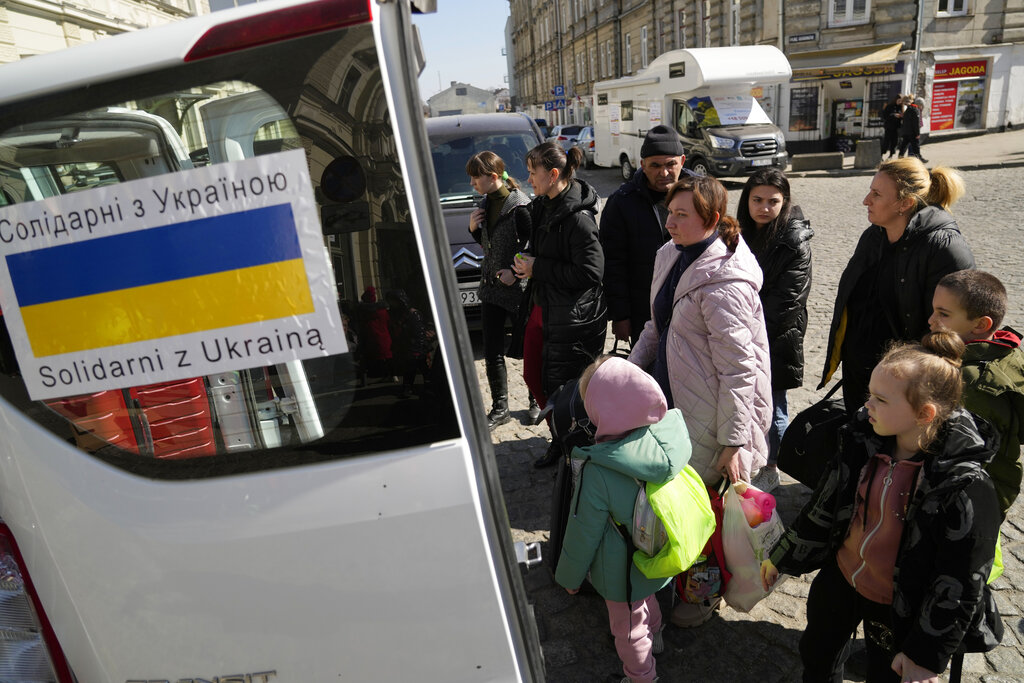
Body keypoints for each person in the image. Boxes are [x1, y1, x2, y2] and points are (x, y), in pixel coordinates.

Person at [762, 331, 1003, 683]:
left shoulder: (964, 486)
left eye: (879, 399)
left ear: (924, 413)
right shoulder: (861, 441)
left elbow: (960, 579)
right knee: (817, 652)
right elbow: (825, 503)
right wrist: (783, 555)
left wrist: (924, 655)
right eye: (869, 395)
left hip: (896, 605)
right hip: (841, 578)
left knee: (883, 673)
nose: (865, 406)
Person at [628, 174, 771, 626]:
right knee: (673, 504)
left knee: (704, 513)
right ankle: (672, 580)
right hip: (672, 400)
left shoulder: (726, 281)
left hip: (710, 413)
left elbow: (739, 371)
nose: (670, 222)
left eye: (681, 214)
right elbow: (655, 325)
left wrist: (733, 442)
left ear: (711, 219)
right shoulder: (669, 254)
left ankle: (702, 594)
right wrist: (626, 376)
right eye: (669, 212)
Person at [554, 355, 684, 683]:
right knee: (647, 597)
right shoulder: (669, 439)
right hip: (658, 552)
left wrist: (570, 577)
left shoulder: (600, 469)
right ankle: (657, 634)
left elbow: (583, 531)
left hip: (621, 569)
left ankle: (642, 677)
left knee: (628, 630)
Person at [819, 157, 975, 414]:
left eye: (876, 194)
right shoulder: (874, 235)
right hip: (861, 374)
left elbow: (949, 330)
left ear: (905, 203)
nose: (866, 200)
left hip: (906, 387)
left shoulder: (944, 248)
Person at [512, 142, 606, 468]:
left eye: (532, 172)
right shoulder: (542, 205)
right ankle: (558, 436)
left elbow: (592, 272)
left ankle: (575, 451)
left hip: (571, 318)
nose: (528, 179)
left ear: (553, 175)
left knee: (567, 389)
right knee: (532, 376)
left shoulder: (579, 219)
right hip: (542, 307)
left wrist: (537, 267)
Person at [737, 168, 813, 493]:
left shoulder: (794, 242)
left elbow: (786, 304)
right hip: (738, 335)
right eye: (757, 199)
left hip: (774, 340)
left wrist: (746, 333)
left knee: (773, 407)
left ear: (785, 201)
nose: (764, 207)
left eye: (773, 201)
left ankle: (771, 466)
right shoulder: (737, 233)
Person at [928, 269, 1024, 520]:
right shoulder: (1003, 351)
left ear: (981, 325)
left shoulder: (971, 382)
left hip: (973, 498)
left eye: (943, 314)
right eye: (934, 310)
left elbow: (956, 451)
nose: (931, 320)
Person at [600, 125, 687, 347]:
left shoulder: (700, 194)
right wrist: (620, 316)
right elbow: (613, 263)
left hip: (691, 308)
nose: (664, 172)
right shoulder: (622, 202)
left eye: (670, 164)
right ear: (643, 166)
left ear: (682, 161)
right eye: (655, 165)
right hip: (644, 313)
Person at [465, 151, 532, 430]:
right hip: (490, 289)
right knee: (492, 350)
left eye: (475, 178)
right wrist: (472, 228)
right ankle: (500, 407)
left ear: (493, 177)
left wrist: (515, 275)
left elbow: (532, 248)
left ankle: (536, 401)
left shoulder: (520, 206)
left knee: (530, 348)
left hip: (518, 292)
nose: (472, 183)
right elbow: (489, 245)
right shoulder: (484, 203)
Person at [385, 289, 435, 398]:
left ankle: (423, 388)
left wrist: (418, 349)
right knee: (415, 369)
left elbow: (419, 333)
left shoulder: (412, 314)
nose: (391, 304)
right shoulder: (401, 313)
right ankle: (417, 388)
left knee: (419, 369)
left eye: (393, 301)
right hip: (410, 347)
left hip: (415, 348)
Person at [898, 95, 926, 162]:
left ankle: (900, 156)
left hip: (906, 131)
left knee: (904, 145)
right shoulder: (914, 110)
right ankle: (918, 158)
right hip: (912, 132)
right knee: (915, 146)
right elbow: (916, 123)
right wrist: (917, 133)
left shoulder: (908, 109)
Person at [881, 94, 903, 160]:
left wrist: (901, 116)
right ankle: (881, 155)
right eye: (899, 100)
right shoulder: (889, 106)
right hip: (889, 127)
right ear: (895, 99)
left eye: (901, 101)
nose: (899, 102)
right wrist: (894, 115)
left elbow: (902, 115)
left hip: (896, 127)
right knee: (886, 142)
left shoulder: (900, 107)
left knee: (894, 142)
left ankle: (891, 155)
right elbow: (885, 116)